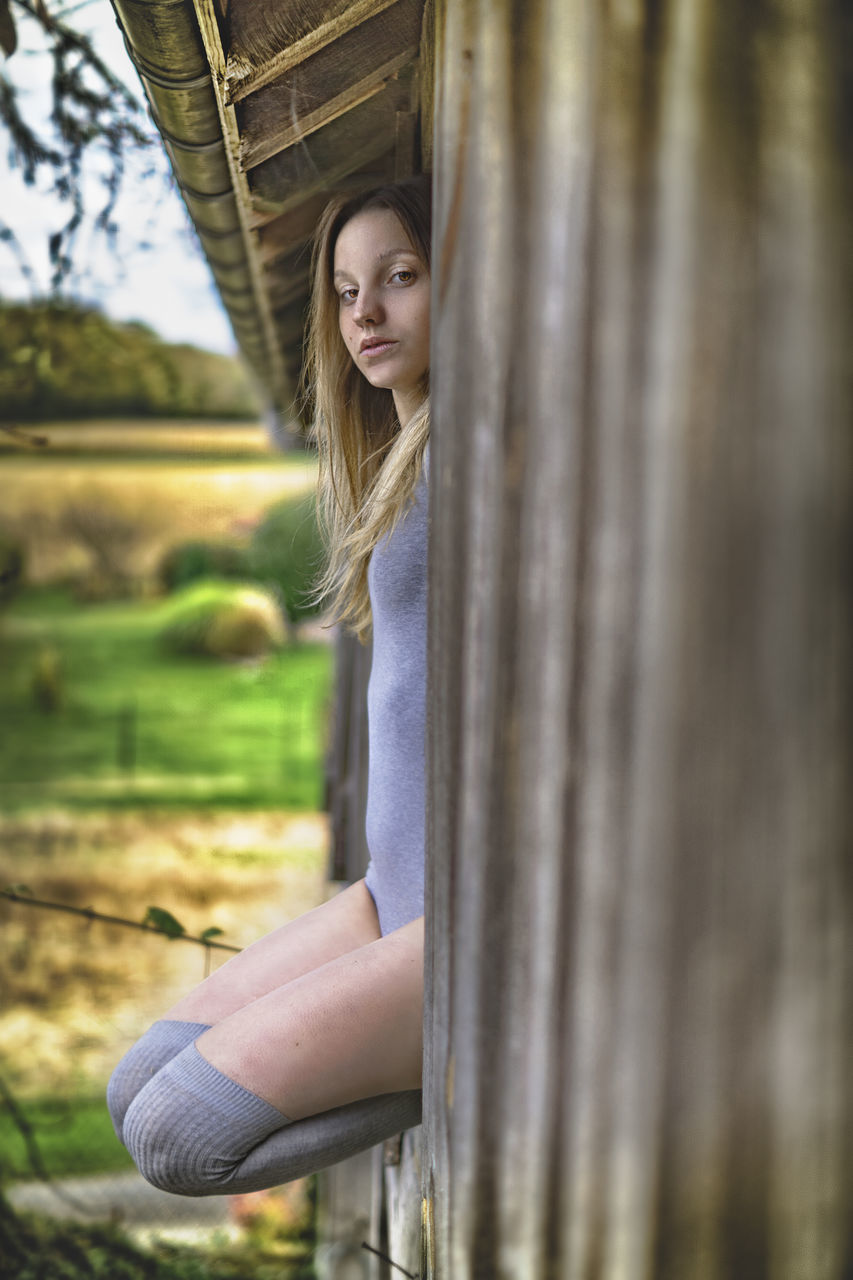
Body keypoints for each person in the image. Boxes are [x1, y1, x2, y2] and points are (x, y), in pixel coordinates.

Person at [106, 174, 432, 1195]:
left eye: (400, 276)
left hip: (462, 917)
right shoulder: (398, 458)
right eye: (344, 291)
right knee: (132, 1084)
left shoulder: (482, 449)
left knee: (178, 1135)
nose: (364, 313)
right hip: (390, 887)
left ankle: (450, 1062)